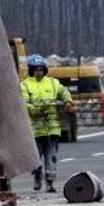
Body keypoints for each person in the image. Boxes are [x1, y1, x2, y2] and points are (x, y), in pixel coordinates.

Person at [20, 54, 72, 192]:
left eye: (41, 69)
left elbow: (64, 92)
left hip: (52, 127)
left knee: (51, 156)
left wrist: (68, 102)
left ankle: (50, 183)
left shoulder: (53, 83)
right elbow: (23, 103)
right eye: (36, 70)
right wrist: (34, 110)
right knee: (36, 158)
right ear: (31, 71)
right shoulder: (25, 85)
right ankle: (37, 177)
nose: (39, 72)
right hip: (34, 129)